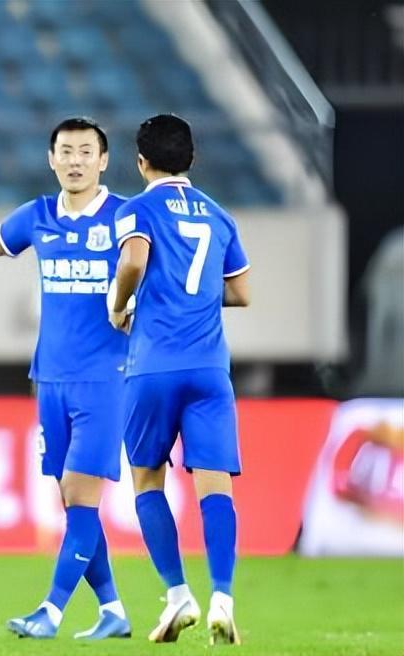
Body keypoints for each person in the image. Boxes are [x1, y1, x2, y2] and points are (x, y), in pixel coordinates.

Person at [0, 117, 132, 641]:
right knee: (72, 500)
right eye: (66, 151)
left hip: (106, 378)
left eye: (86, 151)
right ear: (51, 159)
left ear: (103, 160)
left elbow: (161, 277)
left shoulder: (127, 217)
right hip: (51, 378)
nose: (75, 160)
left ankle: (51, 611)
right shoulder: (37, 216)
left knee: (81, 497)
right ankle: (113, 610)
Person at [110, 114, 251, 645]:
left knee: (147, 480)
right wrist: (197, 300)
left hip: (153, 365)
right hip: (210, 369)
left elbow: (133, 262)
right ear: (192, 159)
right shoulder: (220, 216)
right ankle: (223, 597)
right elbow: (241, 292)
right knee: (215, 485)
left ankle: (177, 595)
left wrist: (119, 305)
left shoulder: (136, 209)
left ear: (141, 162)